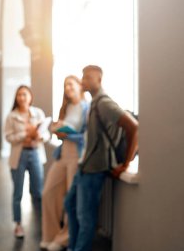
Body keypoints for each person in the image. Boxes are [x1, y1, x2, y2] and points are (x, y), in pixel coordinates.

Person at [64, 65, 138, 251]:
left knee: (85, 218)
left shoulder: (104, 103)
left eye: (88, 77)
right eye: (83, 77)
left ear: (99, 79)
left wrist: (126, 163)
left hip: (94, 170)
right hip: (85, 166)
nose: (83, 80)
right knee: (70, 205)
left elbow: (133, 127)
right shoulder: (94, 103)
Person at [40, 76, 89, 251]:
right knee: (48, 192)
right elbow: (63, 132)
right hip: (63, 153)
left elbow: (87, 135)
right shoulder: (66, 107)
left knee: (71, 199)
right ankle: (50, 236)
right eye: (65, 85)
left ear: (79, 86)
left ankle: (63, 240)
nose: (67, 87)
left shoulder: (87, 107)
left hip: (77, 154)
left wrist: (68, 134)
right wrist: (57, 130)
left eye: (71, 84)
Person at [4, 85, 50, 238]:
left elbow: (47, 135)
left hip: (35, 153)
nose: (22, 98)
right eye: (19, 95)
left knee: (37, 191)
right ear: (16, 98)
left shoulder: (38, 113)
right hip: (19, 155)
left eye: (25, 94)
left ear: (30, 96)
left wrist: (38, 136)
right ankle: (18, 224)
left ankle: (41, 222)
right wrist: (25, 134)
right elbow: (8, 137)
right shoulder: (12, 116)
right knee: (17, 193)